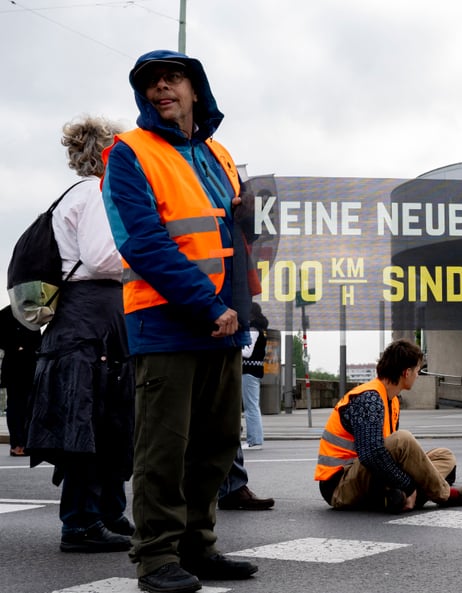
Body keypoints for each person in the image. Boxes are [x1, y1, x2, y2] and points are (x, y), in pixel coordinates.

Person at [101, 50, 260, 592]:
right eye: (150, 83)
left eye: (173, 79)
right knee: (163, 448)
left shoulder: (219, 154)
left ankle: (198, 545)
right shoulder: (128, 153)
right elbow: (142, 243)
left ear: (196, 89)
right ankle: (155, 557)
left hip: (224, 322)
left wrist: (244, 306)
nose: (161, 89)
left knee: (215, 445)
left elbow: (236, 239)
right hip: (168, 320)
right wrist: (208, 303)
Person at [22, 116, 135, 554]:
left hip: (87, 319)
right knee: (89, 420)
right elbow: (102, 257)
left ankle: (106, 511)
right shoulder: (93, 193)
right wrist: (147, 256)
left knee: (104, 420)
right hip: (90, 317)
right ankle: (82, 523)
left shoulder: (83, 193)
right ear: (108, 153)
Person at [316, 339, 462, 512]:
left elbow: (385, 456)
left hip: (369, 478)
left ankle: (396, 498)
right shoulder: (369, 398)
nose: (418, 375)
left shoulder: (392, 400)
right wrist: (408, 485)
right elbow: (370, 454)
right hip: (340, 486)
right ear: (406, 373)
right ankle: (445, 495)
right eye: (417, 370)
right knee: (403, 439)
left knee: (444, 456)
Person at [0, 305, 42, 457]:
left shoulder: (32, 312)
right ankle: (17, 443)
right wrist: (16, 347)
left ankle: (25, 442)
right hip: (14, 365)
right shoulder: (6, 314)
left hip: (30, 365)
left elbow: (38, 338)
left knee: (28, 406)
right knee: (16, 406)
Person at [242, 302, 268, 450]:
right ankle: (256, 439)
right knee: (253, 405)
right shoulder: (262, 329)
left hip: (248, 370)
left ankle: (254, 441)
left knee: (250, 407)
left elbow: (247, 352)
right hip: (256, 369)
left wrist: (233, 345)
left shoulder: (253, 329)